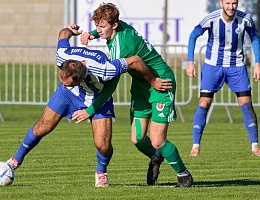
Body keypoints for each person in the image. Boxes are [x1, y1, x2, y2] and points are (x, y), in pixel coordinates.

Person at [6, 24, 171, 188]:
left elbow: (135, 60)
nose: (63, 84)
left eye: (67, 82)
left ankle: (101, 172)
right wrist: (72, 30)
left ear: (80, 78)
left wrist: (153, 80)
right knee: (42, 127)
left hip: (98, 98)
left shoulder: (104, 69)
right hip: (69, 96)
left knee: (103, 144)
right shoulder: (62, 56)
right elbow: (63, 33)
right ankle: (16, 160)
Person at [79, 3, 193, 187]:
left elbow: (111, 86)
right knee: (137, 139)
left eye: (102, 26)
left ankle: (184, 175)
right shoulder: (118, 26)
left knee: (157, 140)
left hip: (161, 83)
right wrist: (90, 34)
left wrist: (90, 109)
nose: (99, 30)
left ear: (114, 25)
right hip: (142, 87)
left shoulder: (122, 48)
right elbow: (103, 28)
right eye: (97, 25)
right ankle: (156, 158)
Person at [186, 0, 260, 157]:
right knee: (204, 102)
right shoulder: (211, 19)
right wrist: (190, 62)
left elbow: (255, 38)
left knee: (246, 104)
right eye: (227, 3)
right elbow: (193, 35)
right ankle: (195, 146)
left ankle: (255, 146)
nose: (231, 7)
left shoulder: (245, 19)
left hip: (236, 66)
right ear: (221, 3)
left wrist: (257, 63)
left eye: (234, 3)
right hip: (213, 66)